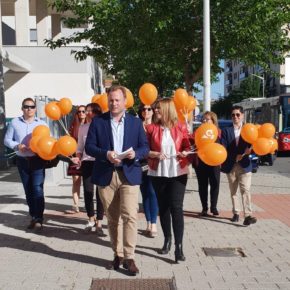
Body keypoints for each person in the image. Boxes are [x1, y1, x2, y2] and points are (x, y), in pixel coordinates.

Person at [85, 85, 149, 275]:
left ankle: (130, 257)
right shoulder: (98, 122)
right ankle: (117, 254)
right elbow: (89, 147)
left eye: (117, 100)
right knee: (113, 218)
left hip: (129, 173)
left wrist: (135, 154)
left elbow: (144, 147)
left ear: (125, 101)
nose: (113, 103)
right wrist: (105, 154)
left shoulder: (136, 123)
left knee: (130, 215)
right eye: (111, 100)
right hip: (106, 174)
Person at [146, 98, 191, 263]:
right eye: (154, 108)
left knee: (176, 207)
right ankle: (167, 239)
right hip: (158, 171)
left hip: (178, 171)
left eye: (158, 108)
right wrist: (154, 154)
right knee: (163, 207)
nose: (155, 111)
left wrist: (185, 152)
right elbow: (144, 149)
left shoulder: (181, 127)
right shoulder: (151, 129)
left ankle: (179, 247)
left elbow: (188, 145)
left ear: (167, 109)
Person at [4, 98, 48, 230]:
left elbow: (47, 142)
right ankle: (33, 216)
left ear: (35, 109)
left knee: (37, 188)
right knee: (28, 191)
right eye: (26, 106)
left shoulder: (42, 124)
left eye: (32, 106)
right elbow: (7, 140)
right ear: (22, 108)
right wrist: (17, 145)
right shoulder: (14, 122)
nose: (29, 109)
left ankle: (39, 217)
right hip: (22, 161)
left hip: (38, 160)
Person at [220, 105, 257, 226]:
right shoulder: (226, 130)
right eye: (233, 115)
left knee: (245, 189)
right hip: (231, 165)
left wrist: (250, 151)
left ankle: (248, 215)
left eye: (237, 114)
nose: (235, 117)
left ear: (242, 115)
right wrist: (233, 157)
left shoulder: (249, 129)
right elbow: (222, 148)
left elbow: (255, 145)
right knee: (233, 190)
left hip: (245, 165)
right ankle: (236, 213)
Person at [72, 103, 105, 235]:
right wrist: (78, 157)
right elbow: (80, 146)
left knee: (100, 193)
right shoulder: (83, 128)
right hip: (87, 162)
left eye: (91, 111)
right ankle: (90, 218)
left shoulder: (103, 127)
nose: (88, 113)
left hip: (101, 161)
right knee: (88, 191)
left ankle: (100, 222)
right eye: (87, 111)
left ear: (97, 113)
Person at [138, 103, 158, 238]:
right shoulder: (137, 126)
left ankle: (154, 224)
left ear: (153, 111)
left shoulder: (157, 127)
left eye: (149, 109)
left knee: (152, 192)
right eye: (143, 109)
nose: (146, 111)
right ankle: (148, 222)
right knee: (144, 193)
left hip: (153, 162)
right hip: (139, 163)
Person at [194, 111, 221, 216]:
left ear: (213, 121)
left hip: (214, 162)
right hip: (201, 161)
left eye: (207, 119)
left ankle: (214, 207)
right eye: (203, 119)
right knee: (202, 185)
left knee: (215, 184)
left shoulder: (218, 132)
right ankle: (204, 208)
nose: (204, 121)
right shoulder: (198, 131)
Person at [67, 105, 87, 213]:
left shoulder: (90, 125)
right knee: (76, 181)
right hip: (76, 157)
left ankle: (87, 203)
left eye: (83, 111)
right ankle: (75, 204)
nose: (81, 113)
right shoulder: (73, 127)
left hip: (88, 157)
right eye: (79, 112)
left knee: (88, 182)